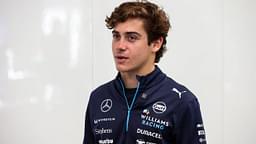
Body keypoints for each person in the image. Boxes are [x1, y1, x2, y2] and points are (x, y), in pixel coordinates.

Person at [83, 0, 207, 143]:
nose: (120, 46)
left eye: (132, 38)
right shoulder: (98, 97)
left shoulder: (181, 101)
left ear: (155, 43)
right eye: (116, 36)